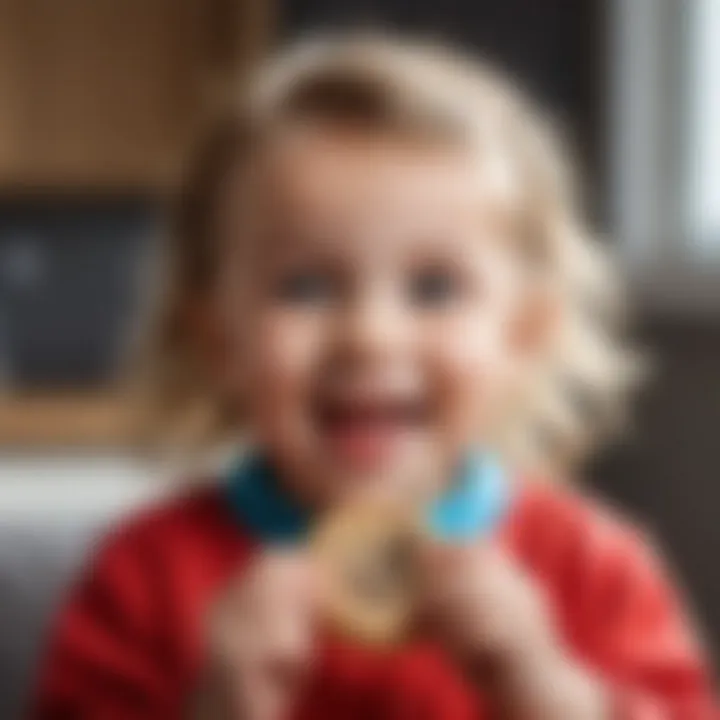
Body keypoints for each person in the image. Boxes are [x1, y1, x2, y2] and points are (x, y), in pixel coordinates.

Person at [30, 36, 717, 719]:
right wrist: (216, 706)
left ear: (522, 334)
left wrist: (547, 688)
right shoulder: (141, 579)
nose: (369, 335)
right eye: (303, 288)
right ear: (216, 338)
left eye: (434, 289)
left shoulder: (595, 571)